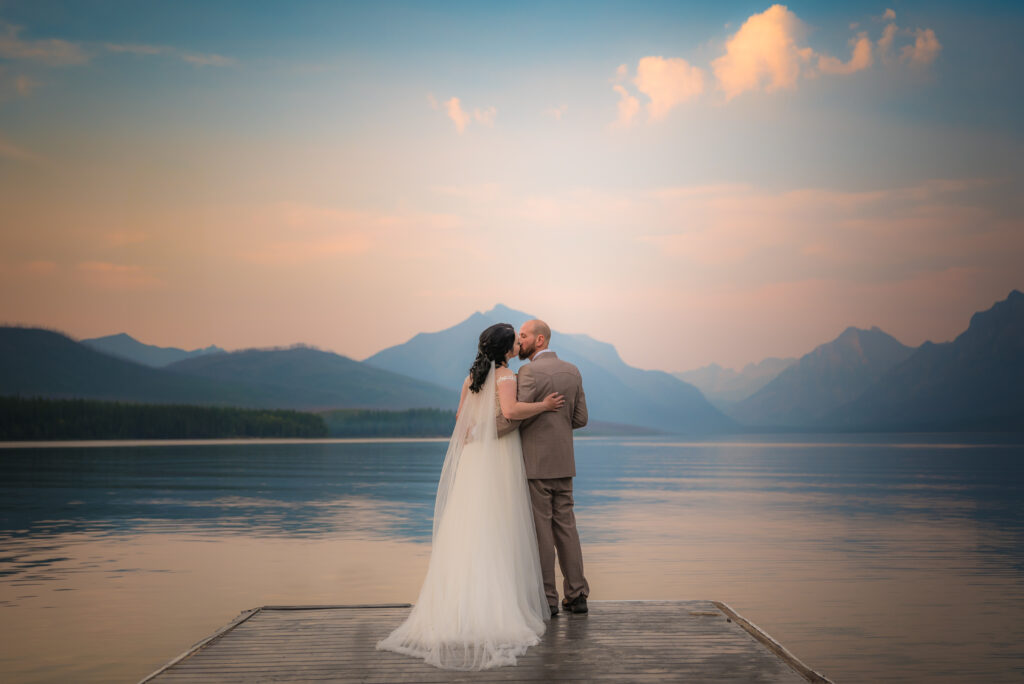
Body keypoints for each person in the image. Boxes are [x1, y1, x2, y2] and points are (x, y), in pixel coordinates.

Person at [376, 323, 565, 670]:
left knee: (470, 527)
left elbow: (461, 419)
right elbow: (510, 413)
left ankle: (460, 606)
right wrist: (543, 405)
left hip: (475, 459)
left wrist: (479, 430)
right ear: (507, 348)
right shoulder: (506, 376)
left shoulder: (471, 378)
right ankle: (496, 607)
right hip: (497, 458)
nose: (516, 344)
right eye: (514, 340)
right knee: (498, 524)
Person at [516, 319, 590, 617]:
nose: (519, 341)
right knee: (567, 529)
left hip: (536, 465)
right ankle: (577, 594)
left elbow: (517, 414)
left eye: (523, 336)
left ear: (540, 340)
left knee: (542, 533)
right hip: (564, 463)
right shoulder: (573, 371)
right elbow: (581, 418)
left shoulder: (528, 371)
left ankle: (548, 598)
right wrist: (559, 426)